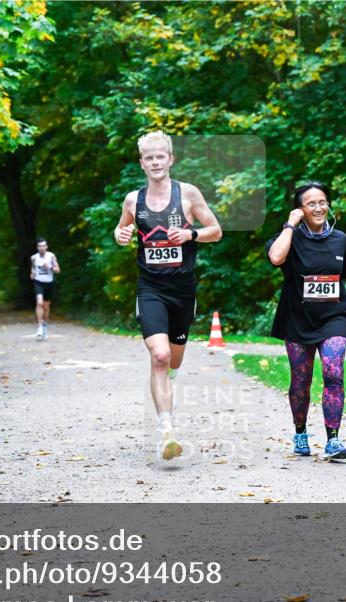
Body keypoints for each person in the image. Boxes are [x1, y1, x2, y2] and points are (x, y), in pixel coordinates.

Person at [113, 130, 222, 461]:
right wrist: (121, 234)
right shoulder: (133, 200)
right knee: (158, 356)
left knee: (173, 360)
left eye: (161, 156)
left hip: (182, 289)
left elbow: (215, 231)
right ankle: (167, 432)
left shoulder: (188, 194)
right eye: (149, 157)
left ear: (170, 159)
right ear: (142, 163)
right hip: (150, 288)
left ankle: (169, 380)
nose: (156, 161)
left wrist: (190, 234)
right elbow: (122, 231)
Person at [265, 182, 346, 461]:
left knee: (333, 371)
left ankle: (333, 440)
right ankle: (300, 432)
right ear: (300, 209)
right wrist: (290, 226)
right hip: (297, 318)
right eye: (311, 203)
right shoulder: (288, 239)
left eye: (322, 202)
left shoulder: (341, 240)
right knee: (301, 379)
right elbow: (276, 258)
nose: (319, 207)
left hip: (334, 316)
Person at [30, 237, 60, 340]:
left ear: (46, 247)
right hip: (39, 282)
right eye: (40, 246)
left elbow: (58, 270)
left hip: (49, 283)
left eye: (43, 246)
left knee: (46, 307)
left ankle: (45, 325)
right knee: (39, 303)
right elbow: (33, 268)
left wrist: (49, 267)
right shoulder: (34, 258)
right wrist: (32, 273)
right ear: (37, 247)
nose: (42, 248)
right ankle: (39, 327)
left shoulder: (51, 256)